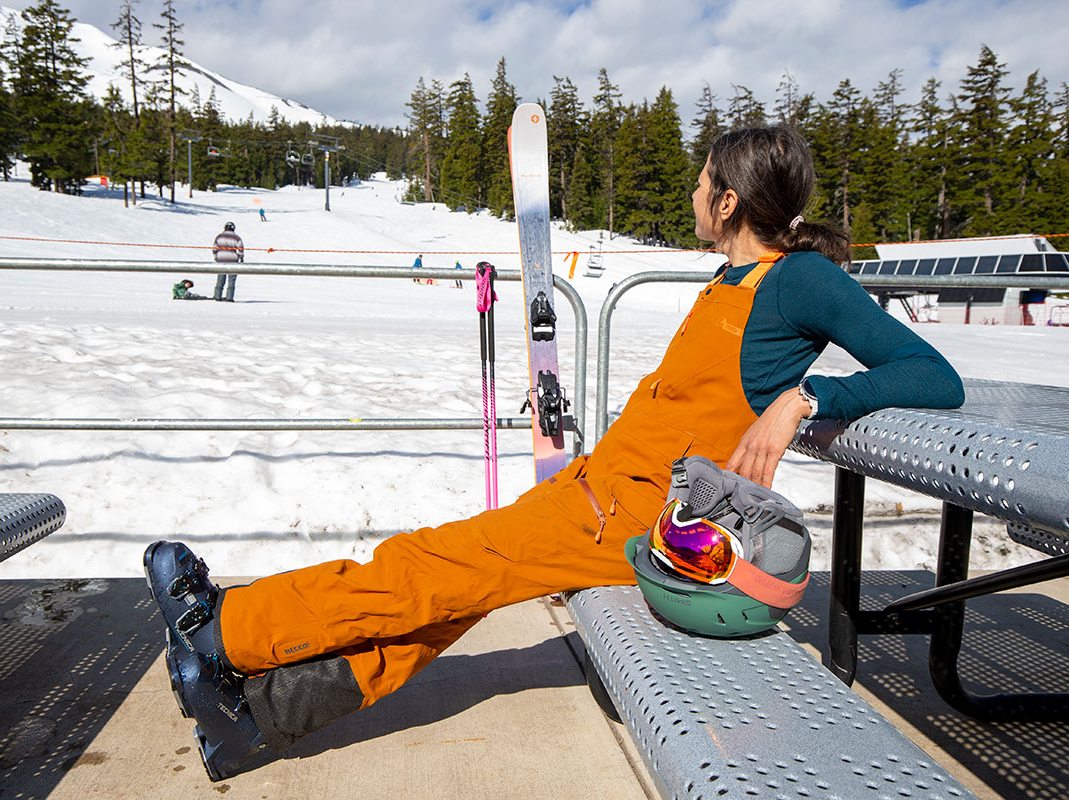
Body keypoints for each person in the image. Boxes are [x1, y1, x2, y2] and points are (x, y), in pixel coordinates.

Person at [144, 126, 965, 781]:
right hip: (599, 493)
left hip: (638, 519)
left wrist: (806, 400)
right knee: (453, 591)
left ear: (728, 198)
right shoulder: (733, 282)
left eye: (701, 178)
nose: (690, 192)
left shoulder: (797, 281)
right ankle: (256, 715)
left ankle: (224, 633)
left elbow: (932, 375)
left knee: (431, 564)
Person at [213, 221, 244, 302]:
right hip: (233, 260)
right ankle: (229, 297)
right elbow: (240, 249)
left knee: (220, 278)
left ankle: (217, 296)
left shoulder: (219, 237)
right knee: (231, 280)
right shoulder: (237, 237)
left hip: (221, 260)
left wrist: (216, 257)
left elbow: (214, 248)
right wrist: (241, 258)